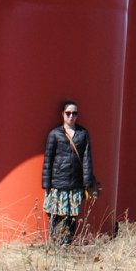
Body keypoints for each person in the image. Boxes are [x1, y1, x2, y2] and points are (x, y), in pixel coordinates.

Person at [42, 99, 98, 245]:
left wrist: (87, 182)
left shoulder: (83, 134)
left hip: (75, 182)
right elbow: (48, 159)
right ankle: (54, 241)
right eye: (68, 113)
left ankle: (67, 242)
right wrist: (46, 183)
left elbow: (87, 159)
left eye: (74, 113)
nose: (71, 116)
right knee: (55, 214)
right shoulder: (54, 134)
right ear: (63, 114)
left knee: (72, 215)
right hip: (58, 182)